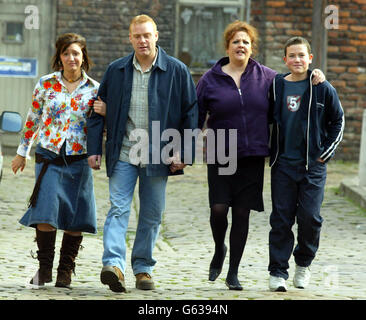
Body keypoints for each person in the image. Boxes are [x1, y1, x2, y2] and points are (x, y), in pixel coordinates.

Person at [197, 21, 325, 291]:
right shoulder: (210, 78)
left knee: (242, 213)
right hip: (221, 148)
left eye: (245, 42)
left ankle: (233, 271)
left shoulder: (268, 77)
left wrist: (317, 75)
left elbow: (296, 82)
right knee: (219, 209)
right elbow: (195, 117)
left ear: (252, 47)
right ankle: (219, 247)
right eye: (235, 41)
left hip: (253, 152)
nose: (240, 45)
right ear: (227, 46)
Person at [87, 14, 198, 292]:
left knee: (151, 213)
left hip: (158, 155)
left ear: (156, 36)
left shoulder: (176, 70)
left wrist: (184, 151)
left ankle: (143, 268)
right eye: (137, 36)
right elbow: (98, 111)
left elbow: (191, 114)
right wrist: (94, 150)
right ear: (130, 39)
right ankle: (114, 265)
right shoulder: (116, 70)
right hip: (122, 152)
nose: (142, 40)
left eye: (147, 35)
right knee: (118, 209)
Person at [11, 33, 99, 289]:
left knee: (75, 216)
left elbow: (100, 126)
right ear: (59, 57)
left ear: (83, 57)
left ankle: (65, 271)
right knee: (45, 214)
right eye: (66, 53)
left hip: (79, 160)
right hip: (49, 157)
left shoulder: (95, 89)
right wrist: (21, 152)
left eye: (76, 53)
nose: (71, 58)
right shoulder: (46, 84)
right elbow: (33, 119)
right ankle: (44, 269)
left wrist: (105, 113)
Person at [268, 36, 344, 292]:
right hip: (283, 166)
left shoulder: (322, 87)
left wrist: (326, 152)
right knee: (281, 219)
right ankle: (278, 272)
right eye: (292, 55)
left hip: (313, 166)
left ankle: (303, 264)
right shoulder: (277, 86)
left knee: (310, 217)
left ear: (310, 58)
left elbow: (338, 120)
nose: (297, 60)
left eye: (302, 55)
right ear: (285, 59)